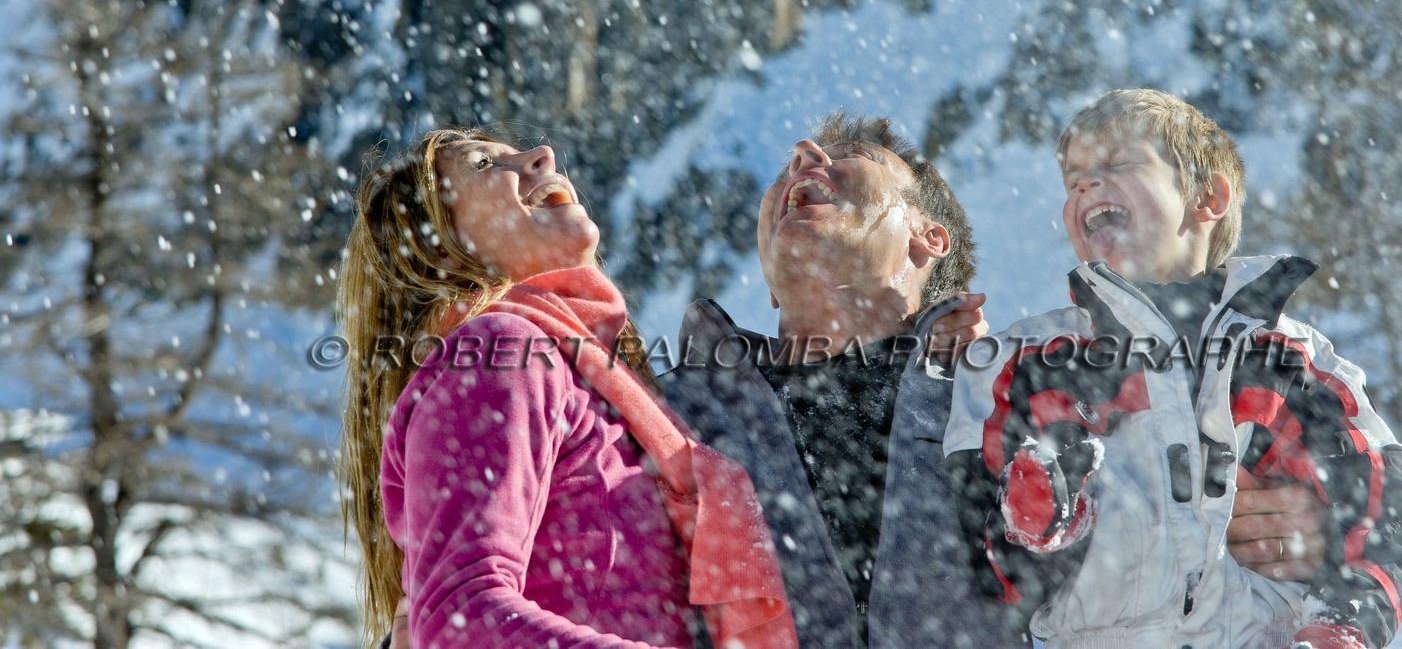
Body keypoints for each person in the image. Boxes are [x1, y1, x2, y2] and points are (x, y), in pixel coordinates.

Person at [664, 110, 1328, 648]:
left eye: (852, 159)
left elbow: (1151, 525)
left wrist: (1264, 526)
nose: (803, 157)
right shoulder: (664, 416)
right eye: (792, 167)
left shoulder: (1018, 396)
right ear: (770, 284)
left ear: (929, 240)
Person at [944, 89, 1402, 648]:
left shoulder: (1285, 360)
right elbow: (982, 561)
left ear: (1207, 197)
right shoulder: (1029, 363)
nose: (1085, 185)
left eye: (1118, 163)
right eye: (1073, 179)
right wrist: (1039, 523)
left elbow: (1384, 516)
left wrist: (1339, 627)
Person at [337, 129, 797, 649]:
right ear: (438, 248)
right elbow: (459, 621)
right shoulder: (499, 351)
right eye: (484, 164)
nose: (543, 156)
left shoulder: (594, 387)